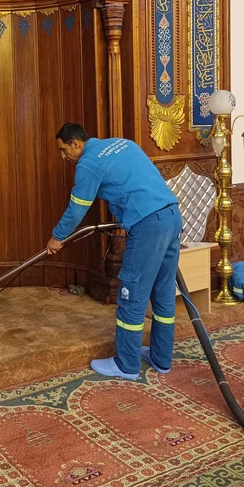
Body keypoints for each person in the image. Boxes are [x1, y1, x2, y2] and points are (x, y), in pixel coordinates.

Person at [47, 123, 182, 380]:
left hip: (147, 225)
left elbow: (77, 209)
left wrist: (57, 237)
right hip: (172, 215)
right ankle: (161, 358)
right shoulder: (123, 143)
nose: (64, 157)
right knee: (163, 292)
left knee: (132, 295)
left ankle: (127, 364)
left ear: (76, 144)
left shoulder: (88, 164)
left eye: (64, 150)